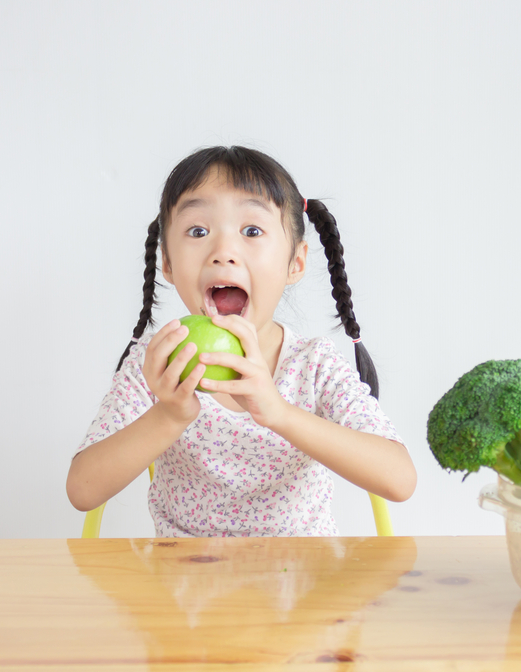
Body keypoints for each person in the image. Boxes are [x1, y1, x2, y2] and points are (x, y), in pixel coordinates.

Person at [66, 146, 416, 537]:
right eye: (198, 231)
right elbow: (83, 490)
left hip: (302, 588)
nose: (223, 252)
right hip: (184, 588)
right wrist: (168, 416)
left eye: (252, 231)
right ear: (166, 262)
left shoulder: (312, 365)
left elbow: (399, 479)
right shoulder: (157, 364)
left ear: (295, 263)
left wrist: (278, 412)